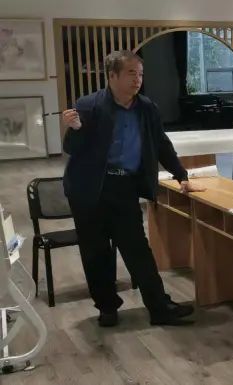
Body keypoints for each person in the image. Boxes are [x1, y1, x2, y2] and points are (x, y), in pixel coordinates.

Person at [61, 50, 203, 328]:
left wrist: (181, 175)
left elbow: (161, 143)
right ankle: (107, 308)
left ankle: (159, 307)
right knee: (95, 252)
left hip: (123, 186)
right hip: (88, 190)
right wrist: (75, 128)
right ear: (112, 76)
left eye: (140, 74)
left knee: (137, 248)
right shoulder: (89, 105)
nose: (137, 80)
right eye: (130, 73)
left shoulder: (146, 108)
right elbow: (71, 149)